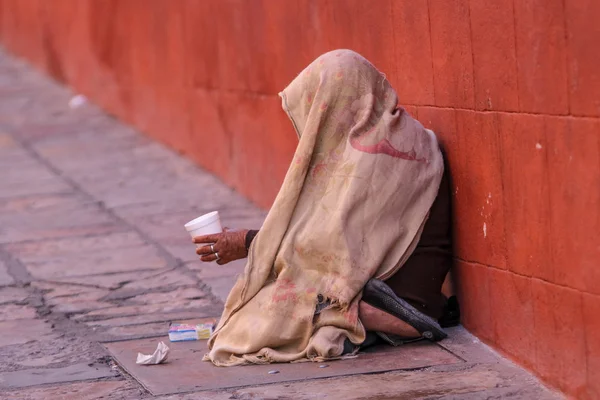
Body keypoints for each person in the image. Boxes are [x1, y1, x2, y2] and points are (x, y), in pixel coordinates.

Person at [193, 50, 457, 366]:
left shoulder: (375, 156)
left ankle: (390, 319)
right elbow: (328, 236)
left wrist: (249, 243)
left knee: (264, 317)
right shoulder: (386, 137)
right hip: (395, 283)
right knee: (272, 299)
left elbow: (329, 250)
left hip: (403, 298)